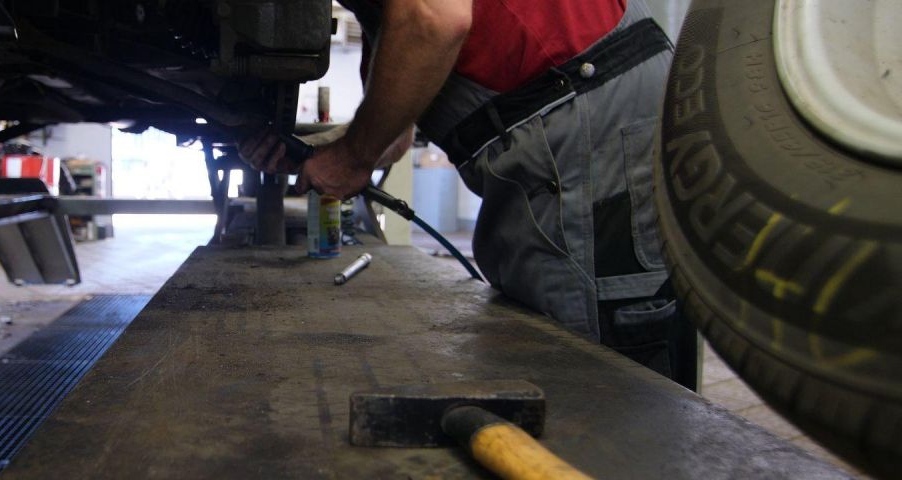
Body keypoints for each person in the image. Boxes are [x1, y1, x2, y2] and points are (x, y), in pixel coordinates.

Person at [238, 0, 698, 389]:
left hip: (590, 110)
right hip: (564, 117)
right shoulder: (385, 17)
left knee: (595, 367)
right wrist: (321, 152)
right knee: (545, 345)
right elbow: (395, 137)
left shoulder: (415, 15)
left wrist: (350, 160)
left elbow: (434, 19)